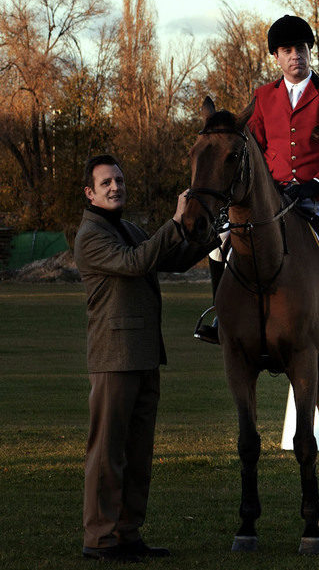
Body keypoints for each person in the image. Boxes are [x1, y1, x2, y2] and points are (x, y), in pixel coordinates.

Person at [195, 14, 319, 346]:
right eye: (287, 50)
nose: (296, 56)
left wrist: (316, 185)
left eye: (301, 48)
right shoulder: (263, 97)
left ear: (309, 52)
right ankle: (221, 313)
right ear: (276, 56)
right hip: (273, 197)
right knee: (220, 242)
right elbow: (255, 149)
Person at [74, 154, 208, 562]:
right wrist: (174, 220)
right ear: (90, 193)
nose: (115, 187)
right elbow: (137, 263)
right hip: (114, 358)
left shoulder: (128, 228)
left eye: (119, 179)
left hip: (146, 355)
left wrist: (213, 233)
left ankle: (128, 533)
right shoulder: (91, 236)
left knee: (138, 452)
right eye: (106, 183)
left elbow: (170, 258)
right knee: (107, 451)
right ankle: (99, 539)